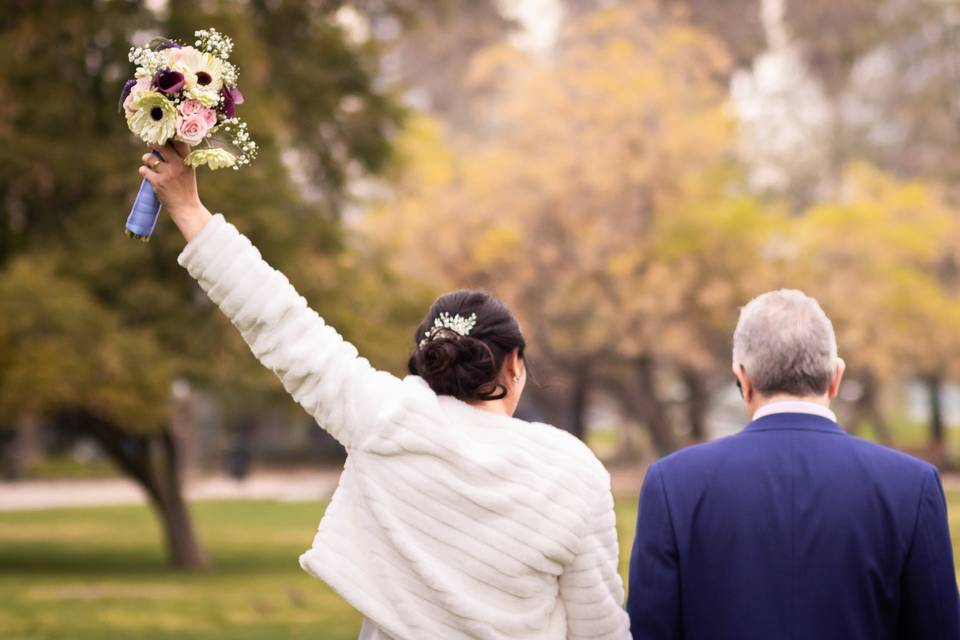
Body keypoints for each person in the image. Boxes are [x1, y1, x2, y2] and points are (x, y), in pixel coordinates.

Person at [136, 143, 631, 640]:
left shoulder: (385, 419)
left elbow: (280, 322)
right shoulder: (574, 471)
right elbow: (600, 628)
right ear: (515, 364)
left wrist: (185, 206)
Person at [627, 289, 960, 639]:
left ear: (743, 379)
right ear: (836, 377)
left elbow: (650, 630)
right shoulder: (910, 485)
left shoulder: (674, 484)